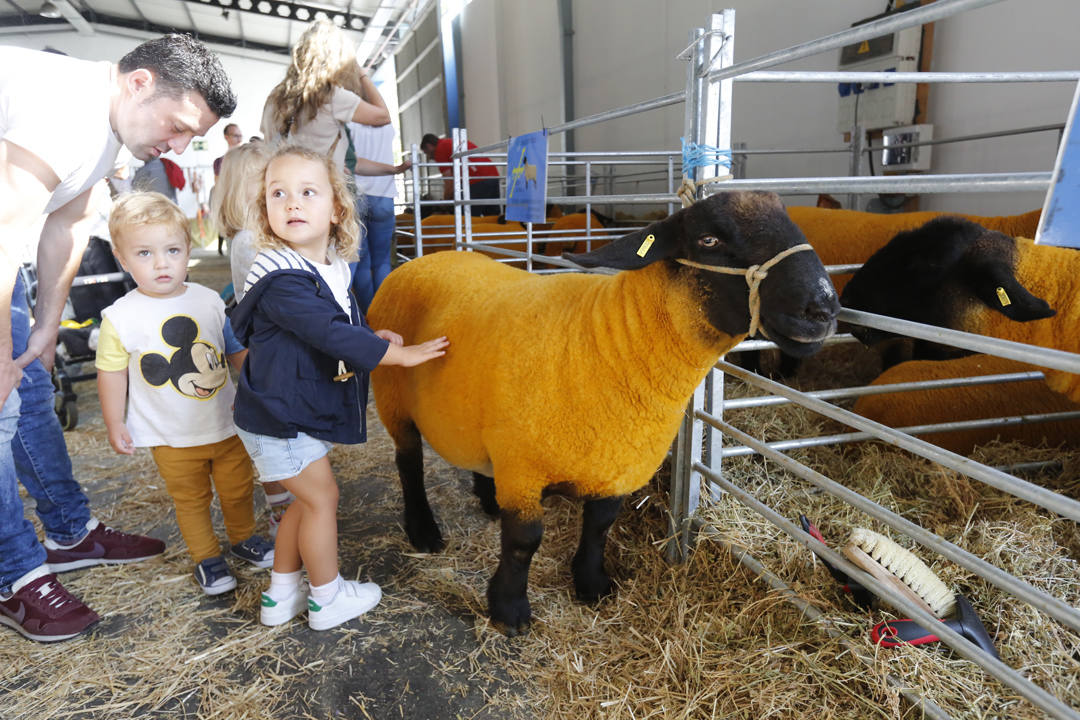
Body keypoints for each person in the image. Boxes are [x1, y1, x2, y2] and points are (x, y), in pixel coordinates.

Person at [0, 34, 236, 642]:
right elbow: (3, 231)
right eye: (180, 125)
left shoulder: (110, 133)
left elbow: (70, 221)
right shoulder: (67, 108)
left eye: (192, 138)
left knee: (25, 389)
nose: (180, 146)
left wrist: (48, 326)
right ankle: (14, 576)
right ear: (139, 83)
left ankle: (69, 533)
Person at [230, 144, 448, 631]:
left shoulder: (324, 264)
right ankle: (327, 598)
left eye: (308, 192)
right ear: (265, 210)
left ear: (336, 209)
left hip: (285, 413)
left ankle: (281, 594)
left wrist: (371, 335)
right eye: (278, 193)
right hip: (278, 420)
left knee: (302, 503)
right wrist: (402, 354)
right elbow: (329, 333)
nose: (292, 203)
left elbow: (340, 320)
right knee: (321, 498)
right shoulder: (281, 278)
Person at [96, 192, 274, 595]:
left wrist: (261, 387)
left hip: (226, 424)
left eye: (172, 250)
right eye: (144, 253)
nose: (161, 263)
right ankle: (207, 557)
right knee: (191, 499)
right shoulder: (120, 317)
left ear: (188, 249)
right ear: (122, 258)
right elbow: (111, 372)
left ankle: (243, 537)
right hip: (169, 436)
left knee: (238, 487)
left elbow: (234, 351)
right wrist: (113, 421)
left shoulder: (209, 301)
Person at [210, 142, 296, 535]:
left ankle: (289, 502)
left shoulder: (254, 236)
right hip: (271, 350)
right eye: (272, 183)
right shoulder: (250, 240)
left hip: (276, 346)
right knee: (276, 433)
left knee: (281, 430)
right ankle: (284, 511)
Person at [260, 18, 392, 175]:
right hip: (321, 186)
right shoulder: (332, 96)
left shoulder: (276, 96)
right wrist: (362, 75)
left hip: (285, 180)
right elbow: (383, 117)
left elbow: (268, 139)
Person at [347, 121, 411, 312]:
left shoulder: (348, 124)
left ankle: (368, 315)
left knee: (362, 261)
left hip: (355, 194)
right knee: (382, 261)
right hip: (384, 194)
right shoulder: (385, 125)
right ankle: (385, 313)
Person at [419, 133, 501, 216]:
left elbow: (449, 182)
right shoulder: (450, 143)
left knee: (467, 217)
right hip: (492, 175)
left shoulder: (439, 150)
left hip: (477, 180)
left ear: (429, 146)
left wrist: (444, 202)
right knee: (492, 215)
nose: (429, 157)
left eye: (426, 153)